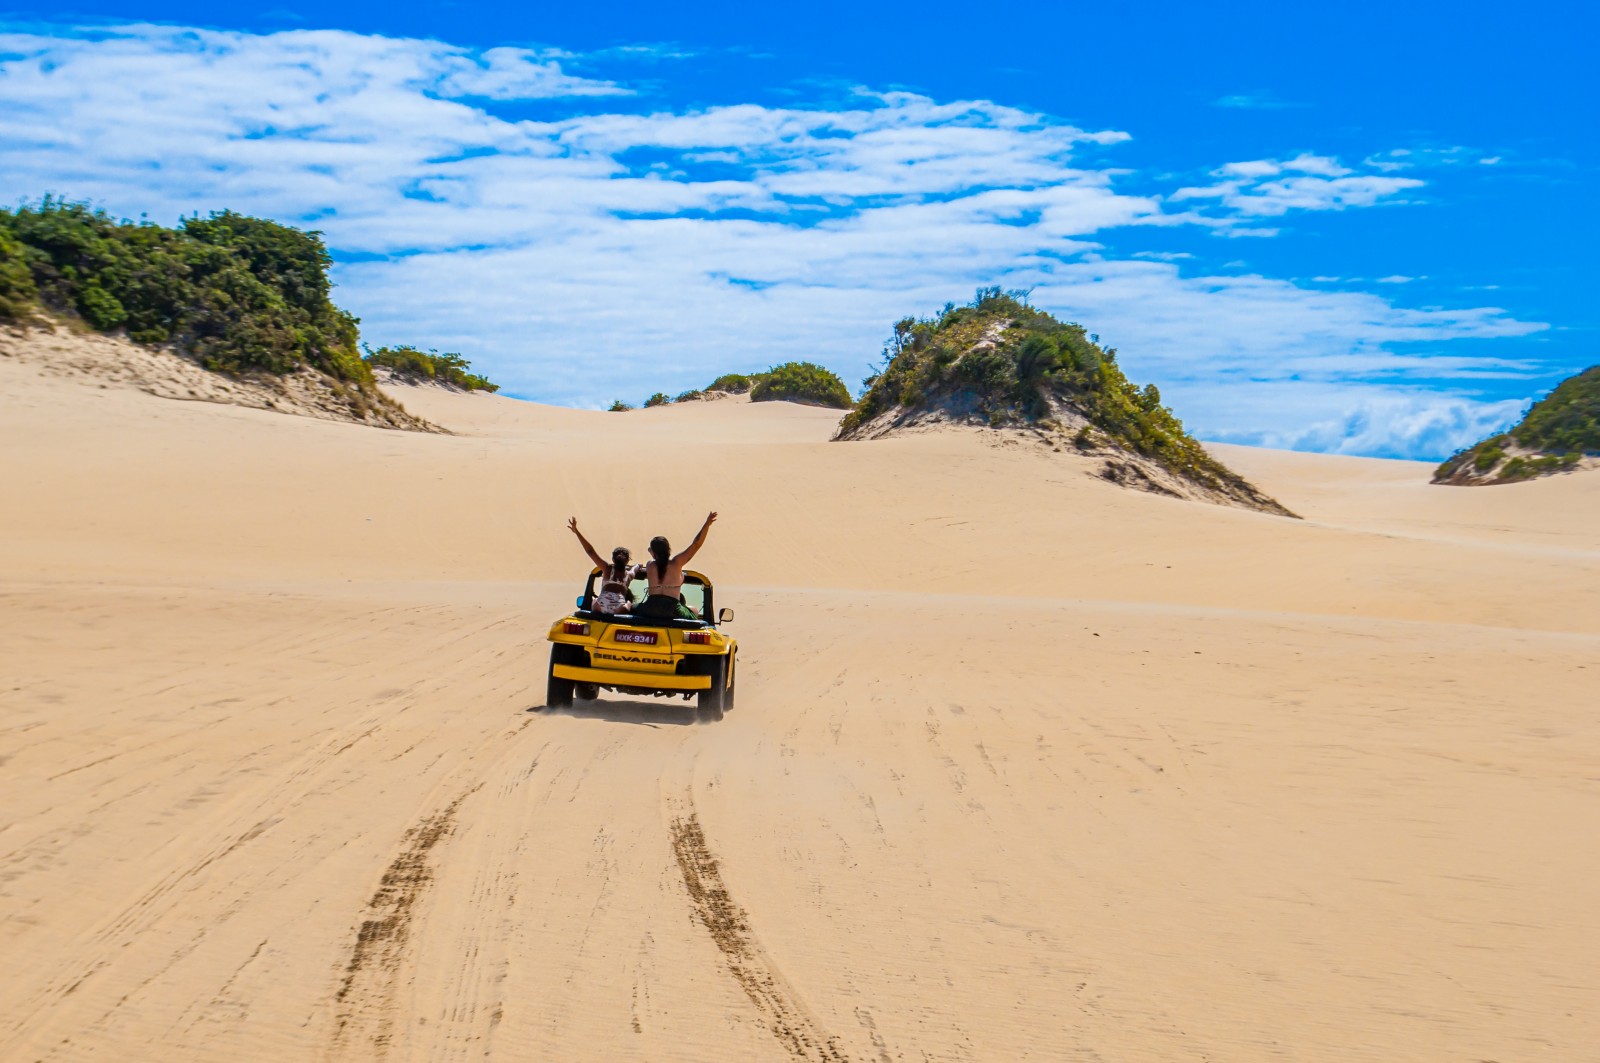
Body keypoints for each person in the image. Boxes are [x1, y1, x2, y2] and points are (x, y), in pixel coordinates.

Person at [635, 511, 718, 620]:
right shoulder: (676, 563)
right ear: (668, 549)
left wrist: (653, 550)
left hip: (650, 608)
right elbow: (696, 545)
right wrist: (706, 524)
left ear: (653, 552)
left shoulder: (650, 565)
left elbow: (650, 550)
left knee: (632, 606)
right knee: (694, 611)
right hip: (672, 609)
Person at [566, 517, 642, 615]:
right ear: (627, 560)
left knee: (595, 600)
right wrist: (637, 565)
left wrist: (576, 532)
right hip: (619, 609)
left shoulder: (607, 568)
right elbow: (637, 567)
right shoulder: (629, 575)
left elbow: (590, 551)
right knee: (629, 603)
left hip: (600, 606)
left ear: (613, 559)